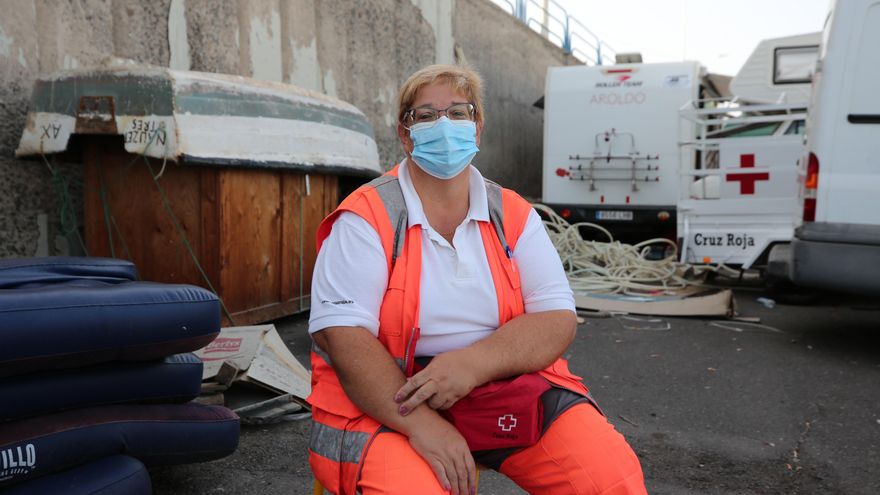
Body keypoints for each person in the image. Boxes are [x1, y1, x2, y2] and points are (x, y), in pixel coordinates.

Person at [307, 64, 646, 495]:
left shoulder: (514, 213)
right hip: (392, 399)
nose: (443, 125)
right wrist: (424, 425)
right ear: (405, 134)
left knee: (610, 478)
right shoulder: (367, 216)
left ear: (478, 127)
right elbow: (344, 336)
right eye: (426, 115)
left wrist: (471, 365)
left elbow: (556, 318)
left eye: (458, 112)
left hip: (496, 382)